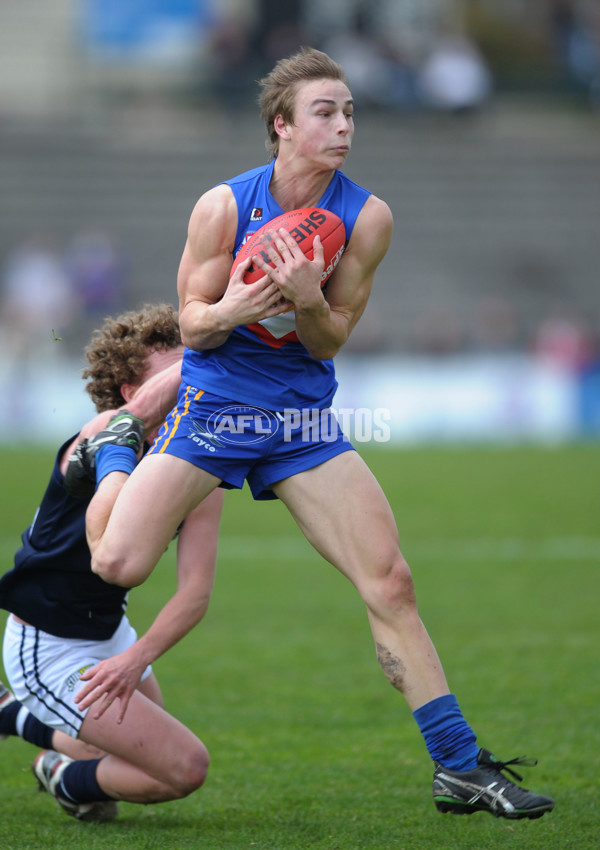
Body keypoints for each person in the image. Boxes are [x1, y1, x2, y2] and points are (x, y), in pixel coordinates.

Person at [88, 48, 554, 820]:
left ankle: (459, 766)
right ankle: (114, 450)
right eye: (325, 113)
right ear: (282, 125)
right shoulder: (223, 208)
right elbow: (195, 326)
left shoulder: (367, 218)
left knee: (391, 582)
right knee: (117, 561)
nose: (343, 127)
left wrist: (306, 299)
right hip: (215, 411)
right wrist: (244, 304)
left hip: (301, 418)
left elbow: (331, 338)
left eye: (349, 113)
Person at [0, 304, 224, 821]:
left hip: (110, 632)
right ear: (132, 394)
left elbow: (195, 593)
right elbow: (113, 551)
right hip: (49, 645)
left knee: (135, 759)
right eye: (177, 375)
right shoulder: (100, 434)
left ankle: (30, 737)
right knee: (184, 767)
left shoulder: (200, 461)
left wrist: (135, 657)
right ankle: (54, 761)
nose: (195, 383)